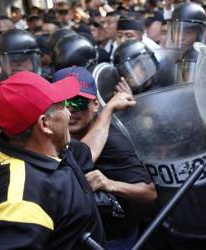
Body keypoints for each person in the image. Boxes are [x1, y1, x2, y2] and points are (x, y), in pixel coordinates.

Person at [0, 71, 105, 249]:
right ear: (45, 124)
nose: (69, 114)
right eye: (62, 105)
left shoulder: (55, 148)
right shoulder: (20, 199)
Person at [53, 67, 156, 249]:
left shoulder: (113, 143)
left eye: (78, 102)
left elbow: (148, 192)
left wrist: (110, 184)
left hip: (112, 240)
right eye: (63, 102)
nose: (70, 110)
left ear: (94, 105)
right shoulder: (50, 133)